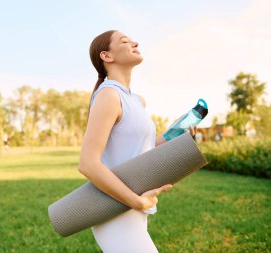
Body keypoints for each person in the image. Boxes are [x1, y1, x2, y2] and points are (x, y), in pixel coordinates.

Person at [78, 30, 197, 253]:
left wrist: (176, 135)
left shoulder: (136, 100)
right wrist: (136, 201)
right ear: (107, 56)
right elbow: (88, 163)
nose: (135, 42)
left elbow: (145, 147)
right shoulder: (109, 95)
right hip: (114, 210)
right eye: (124, 41)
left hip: (133, 208)